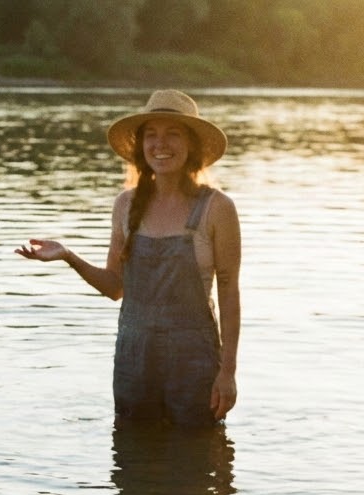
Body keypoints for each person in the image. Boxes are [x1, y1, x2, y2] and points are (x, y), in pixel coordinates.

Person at [16, 90, 241, 427]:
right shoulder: (125, 205)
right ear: (141, 146)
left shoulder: (217, 208)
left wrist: (228, 372)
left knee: (198, 451)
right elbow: (115, 288)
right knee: (130, 452)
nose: (160, 144)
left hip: (195, 363)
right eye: (151, 135)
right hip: (133, 361)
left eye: (173, 134)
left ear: (191, 145)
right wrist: (68, 256)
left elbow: (229, 291)